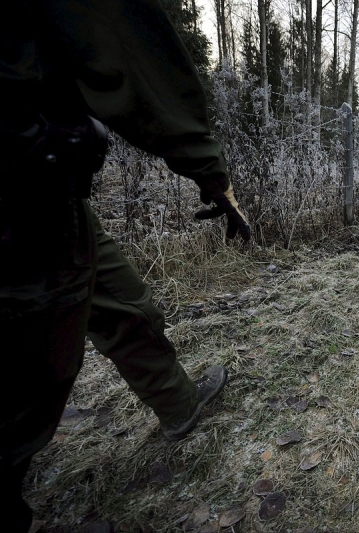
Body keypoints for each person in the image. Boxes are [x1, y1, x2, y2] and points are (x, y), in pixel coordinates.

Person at [0, 2, 252, 531]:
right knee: (19, 395)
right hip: (17, 197)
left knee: (123, 299)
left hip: (49, 192)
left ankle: (179, 405)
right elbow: (121, 42)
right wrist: (209, 168)